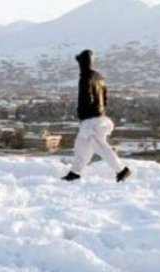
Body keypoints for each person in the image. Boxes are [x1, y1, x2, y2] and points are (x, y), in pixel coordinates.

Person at [62, 50, 131, 183]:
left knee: (100, 146)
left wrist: (83, 112)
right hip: (98, 117)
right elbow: (104, 97)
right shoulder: (99, 77)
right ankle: (75, 172)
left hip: (91, 119)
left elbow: (86, 96)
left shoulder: (85, 76)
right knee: (81, 146)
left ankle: (121, 170)